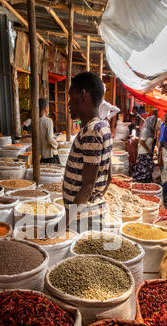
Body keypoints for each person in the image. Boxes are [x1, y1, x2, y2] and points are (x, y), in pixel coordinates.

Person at [56, 72, 112, 234]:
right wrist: (97, 200)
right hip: (88, 215)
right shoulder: (103, 126)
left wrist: (59, 226)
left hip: (82, 219)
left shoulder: (91, 132)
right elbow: (108, 177)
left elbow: (87, 187)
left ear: (82, 95)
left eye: (70, 96)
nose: (68, 103)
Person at [133, 115, 157, 183]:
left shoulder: (150, 130)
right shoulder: (146, 130)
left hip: (146, 153)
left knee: (147, 170)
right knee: (144, 171)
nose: (155, 124)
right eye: (154, 123)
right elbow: (142, 141)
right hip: (144, 153)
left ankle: (144, 184)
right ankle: (141, 184)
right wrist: (149, 150)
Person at [38, 98, 59, 164]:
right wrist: (57, 144)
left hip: (40, 156)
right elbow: (49, 138)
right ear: (46, 108)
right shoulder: (48, 120)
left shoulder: (34, 121)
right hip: (49, 155)